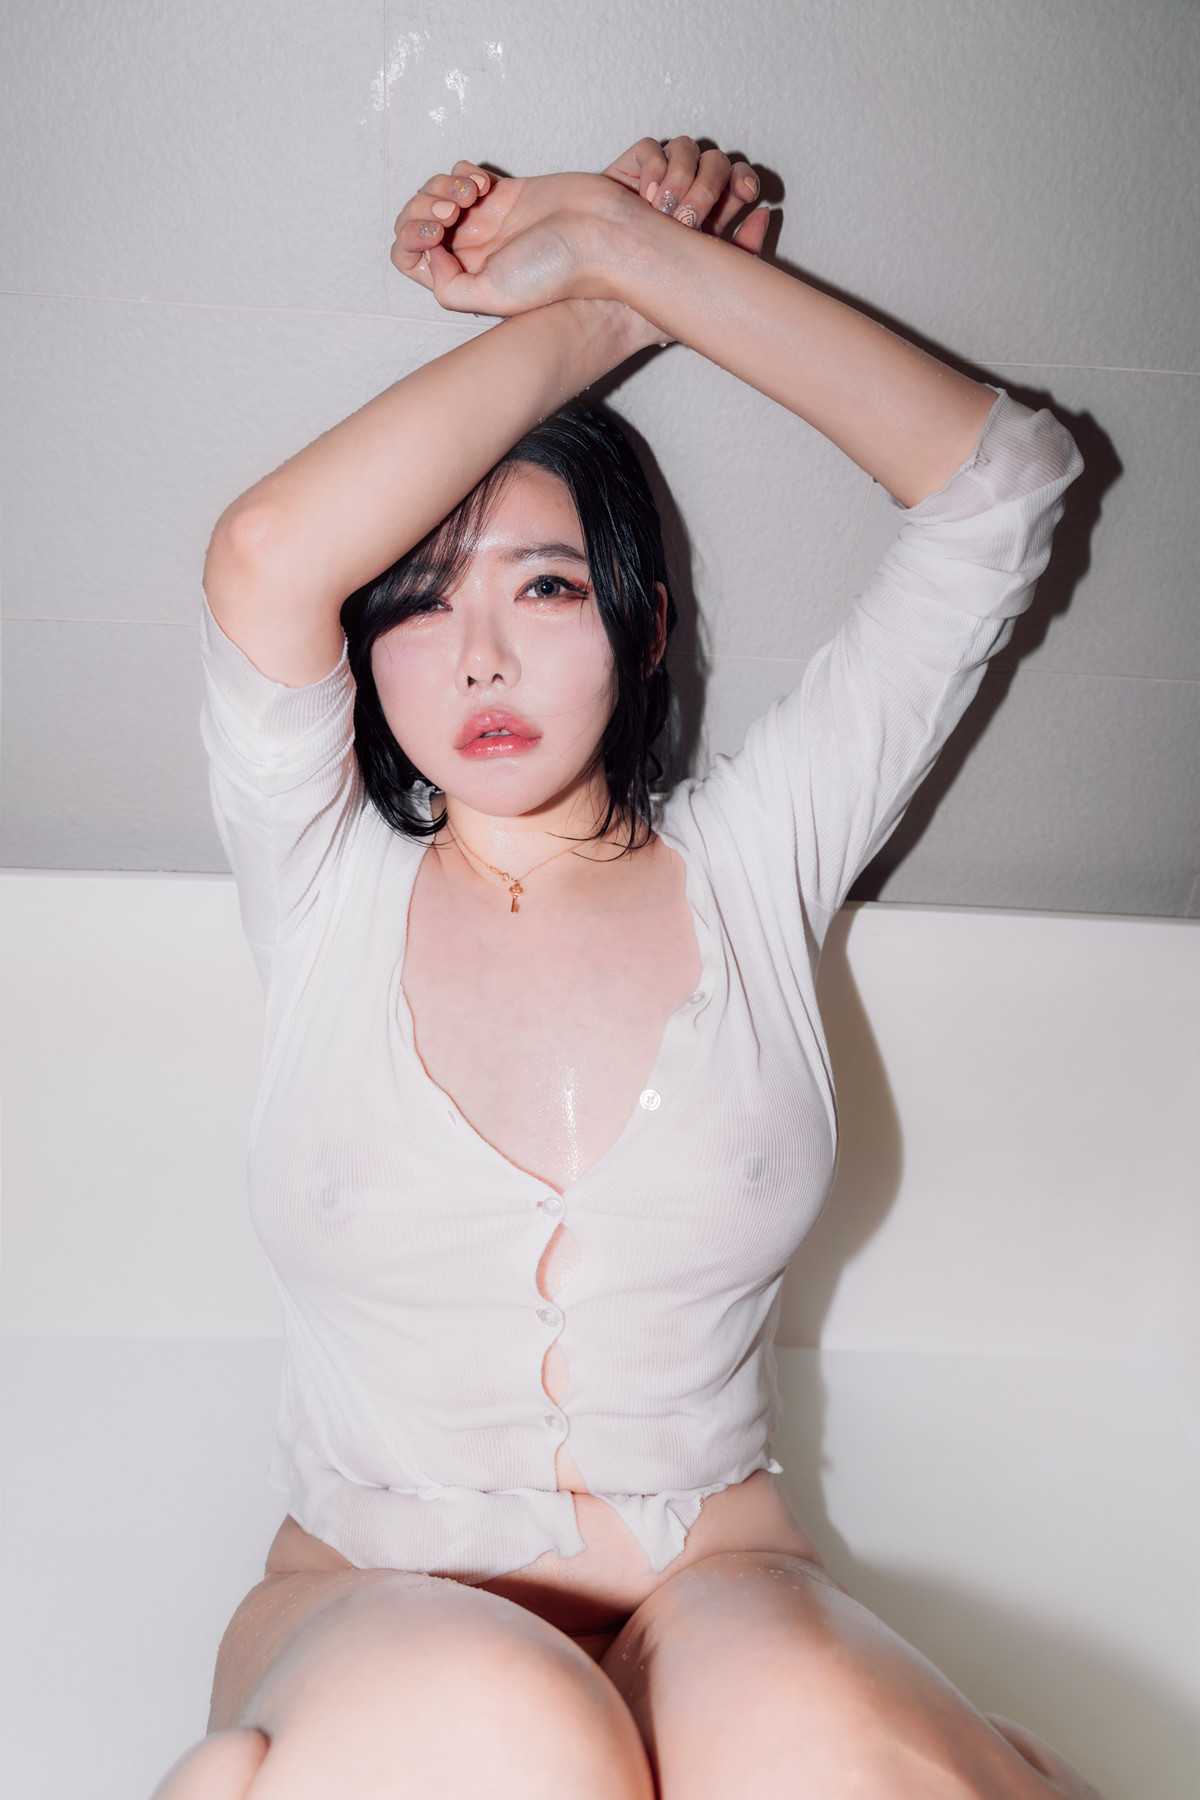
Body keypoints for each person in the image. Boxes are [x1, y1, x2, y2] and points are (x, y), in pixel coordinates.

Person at [152, 138, 1100, 1798]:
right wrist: (599, 309)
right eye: (418, 605)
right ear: (365, 659)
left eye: (545, 584)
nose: (481, 657)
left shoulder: (754, 858)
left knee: (817, 1739)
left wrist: (636, 246)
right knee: (497, 1725)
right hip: (373, 1592)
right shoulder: (321, 886)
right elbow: (263, 555)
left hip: (721, 1590)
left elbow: (1003, 485)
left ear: (642, 624)